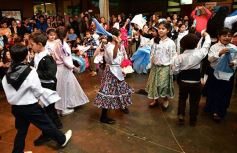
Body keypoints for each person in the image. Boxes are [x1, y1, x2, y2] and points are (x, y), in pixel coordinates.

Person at [1, 44, 72, 153]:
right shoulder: (30, 71)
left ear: (11, 56)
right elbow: (38, 90)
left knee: (21, 131)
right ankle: (62, 140)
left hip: (16, 108)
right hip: (30, 106)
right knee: (47, 124)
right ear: (26, 56)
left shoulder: (7, 74)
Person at [29, 31, 63, 146]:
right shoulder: (37, 55)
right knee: (49, 108)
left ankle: (47, 133)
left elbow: (50, 74)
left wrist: (35, 72)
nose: (31, 46)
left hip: (47, 86)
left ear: (39, 44)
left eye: (32, 44)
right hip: (41, 85)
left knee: (45, 111)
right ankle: (57, 124)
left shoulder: (47, 57)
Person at [94, 28, 133, 124]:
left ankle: (122, 106)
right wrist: (117, 44)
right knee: (108, 92)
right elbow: (113, 58)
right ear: (114, 37)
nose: (120, 37)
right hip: (111, 71)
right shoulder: (109, 46)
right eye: (119, 36)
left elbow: (120, 57)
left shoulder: (116, 45)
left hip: (117, 70)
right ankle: (103, 116)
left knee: (121, 89)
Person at [172, 32, 211, 126]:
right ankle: (192, 119)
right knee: (194, 101)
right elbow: (207, 45)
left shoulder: (179, 57)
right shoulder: (199, 54)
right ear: (196, 44)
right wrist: (206, 36)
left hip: (183, 82)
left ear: (182, 45)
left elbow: (175, 71)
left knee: (182, 98)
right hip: (196, 82)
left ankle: (181, 115)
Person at [54, 26, 89, 116]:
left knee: (60, 88)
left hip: (58, 68)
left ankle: (59, 107)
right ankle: (64, 108)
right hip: (65, 69)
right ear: (67, 34)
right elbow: (67, 60)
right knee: (66, 88)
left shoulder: (56, 43)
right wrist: (74, 67)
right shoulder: (64, 45)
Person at [205, 28, 237, 122]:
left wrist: (234, 63)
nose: (227, 38)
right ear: (219, 37)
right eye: (224, 35)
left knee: (225, 93)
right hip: (215, 73)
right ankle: (213, 110)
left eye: (229, 35)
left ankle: (221, 110)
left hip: (228, 74)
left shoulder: (234, 48)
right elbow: (210, 59)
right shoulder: (214, 47)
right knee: (214, 91)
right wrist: (220, 53)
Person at [145, 21, 176, 110]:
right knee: (154, 84)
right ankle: (155, 100)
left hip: (165, 67)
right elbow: (152, 53)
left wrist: (172, 66)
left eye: (163, 29)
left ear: (168, 30)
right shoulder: (155, 40)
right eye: (159, 28)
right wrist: (151, 63)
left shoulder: (170, 42)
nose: (160, 30)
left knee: (163, 85)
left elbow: (173, 55)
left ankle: (165, 99)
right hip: (155, 66)